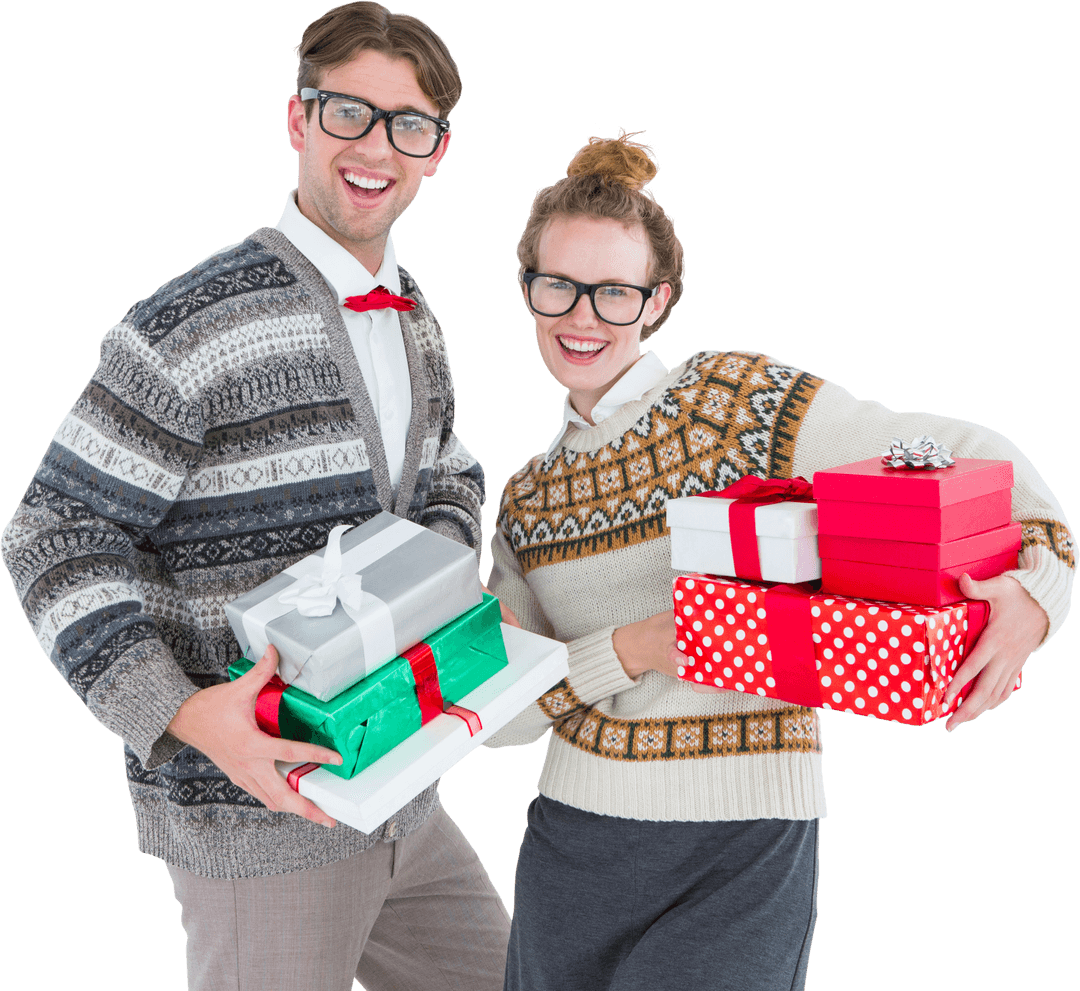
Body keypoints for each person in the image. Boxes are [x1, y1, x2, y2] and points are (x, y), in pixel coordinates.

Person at [484, 130, 1074, 990]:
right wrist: (634, 649)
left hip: (741, 845)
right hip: (572, 850)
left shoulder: (735, 401)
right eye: (559, 286)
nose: (582, 315)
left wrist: (1039, 588)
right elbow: (502, 716)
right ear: (528, 292)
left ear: (657, 301)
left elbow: (958, 454)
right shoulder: (527, 497)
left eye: (613, 292)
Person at [0, 4, 511, 989]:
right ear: (297, 121)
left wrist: (426, 591)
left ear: (438, 150)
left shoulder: (419, 318)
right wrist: (187, 717)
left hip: (404, 794)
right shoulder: (190, 324)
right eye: (348, 114)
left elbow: (446, 467)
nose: (376, 148)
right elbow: (52, 533)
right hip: (259, 819)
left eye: (407, 125)